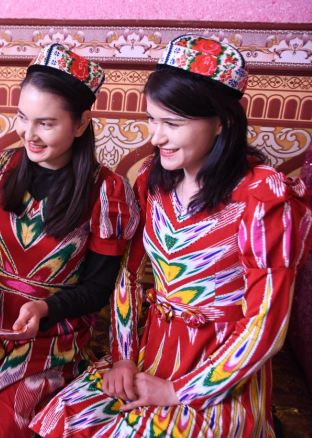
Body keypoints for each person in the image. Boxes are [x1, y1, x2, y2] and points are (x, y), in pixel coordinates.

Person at [30, 34, 312, 438]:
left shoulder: (264, 199)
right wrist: (123, 358)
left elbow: (265, 326)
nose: (156, 137)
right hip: (152, 350)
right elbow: (128, 277)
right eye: (152, 119)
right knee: (61, 417)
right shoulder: (153, 181)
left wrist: (178, 391)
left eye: (173, 124)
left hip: (221, 368)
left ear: (223, 122)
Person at [0, 44, 140, 438]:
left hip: (54, 342)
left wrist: (45, 308)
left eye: (46, 123)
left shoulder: (107, 192)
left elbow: (99, 289)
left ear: (81, 124)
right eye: (22, 116)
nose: (28, 134)